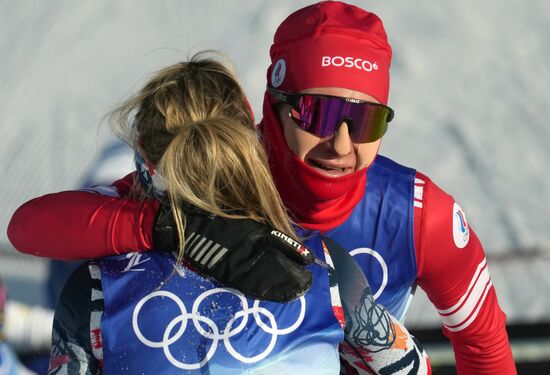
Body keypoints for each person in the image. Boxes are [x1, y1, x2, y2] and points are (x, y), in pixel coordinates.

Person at [7, 1, 515, 373]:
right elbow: (32, 226)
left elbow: (484, 346)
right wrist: (170, 227)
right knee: (85, 276)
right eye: (320, 113)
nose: (341, 144)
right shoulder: (224, 166)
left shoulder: (416, 213)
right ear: (274, 103)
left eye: (366, 122)